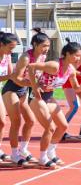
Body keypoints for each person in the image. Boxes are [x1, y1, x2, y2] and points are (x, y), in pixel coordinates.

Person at [28, 38, 81, 168]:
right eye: (76, 55)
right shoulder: (54, 66)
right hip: (37, 98)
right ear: (68, 54)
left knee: (63, 126)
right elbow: (31, 67)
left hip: (49, 97)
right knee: (50, 127)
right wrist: (35, 88)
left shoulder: (71, 70)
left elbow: (76, 88)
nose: (78, 59)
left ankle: (51, 152)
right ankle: (42, 158)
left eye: (79, 56)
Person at [2, 28, 49, 165]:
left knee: (30, 121)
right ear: (35, 45)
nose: (46, 49)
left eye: (48, 46)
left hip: (24, 90)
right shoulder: (25, 57)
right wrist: (32, 85)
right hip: (12, 89)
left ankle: (23, 149)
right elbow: (16, 77)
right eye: (44, 46)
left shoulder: (42, 57)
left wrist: (40, 84)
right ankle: (14, 153)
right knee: (16, 121)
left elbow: (37, 76)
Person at [0, 32, 18, 163]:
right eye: (10, 47)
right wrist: (10, 76)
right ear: (1, 45)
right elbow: (9, 76)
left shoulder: (7, 56)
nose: (12, 50)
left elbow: (12, 74)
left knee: (2, 122)